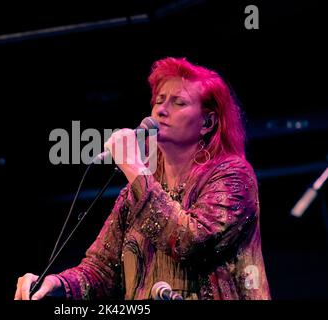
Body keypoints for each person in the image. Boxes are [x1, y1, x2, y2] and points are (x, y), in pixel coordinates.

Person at [14, 57, 271, 300]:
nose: (161, 109)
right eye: (159, 100)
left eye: (178, 102)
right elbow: (101, 270)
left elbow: (192, 243)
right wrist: (57, 284)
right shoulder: (135, 190)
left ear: (207, 122)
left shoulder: (232, 175)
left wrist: (134, 167)